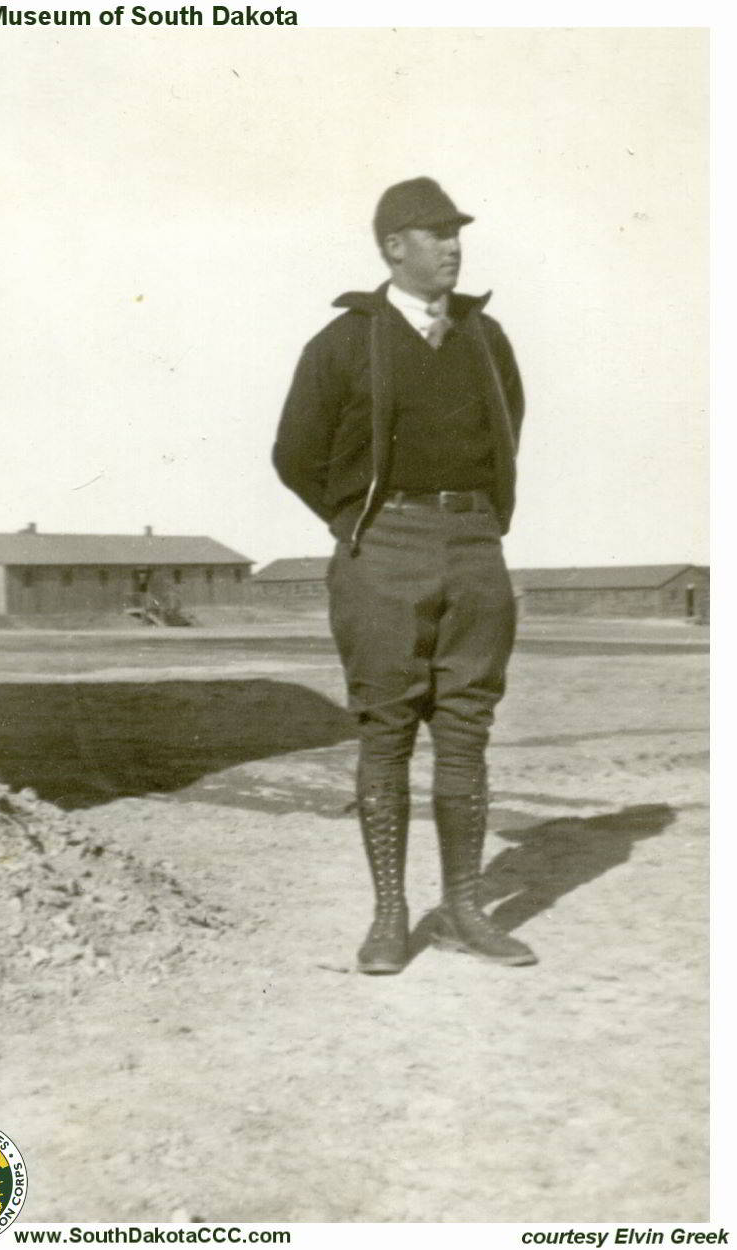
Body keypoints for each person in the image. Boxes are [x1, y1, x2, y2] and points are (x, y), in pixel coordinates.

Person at [272, 176, 537, 974]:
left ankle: (462, 911)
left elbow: (509, 428)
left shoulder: (486, 339)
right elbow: (295, 456)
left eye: (458, 233)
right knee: (387, 731)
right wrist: (361, 523)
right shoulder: (346, 342)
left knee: (465, 731)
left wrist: (475, 524)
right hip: (381, 551)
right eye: (436, 234)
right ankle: (390, 917)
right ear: (394, 247)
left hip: (476, 547)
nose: (454, 245)